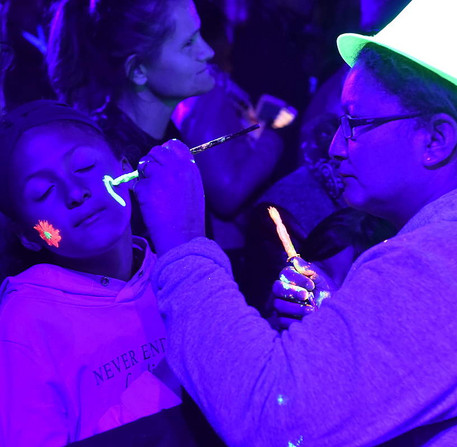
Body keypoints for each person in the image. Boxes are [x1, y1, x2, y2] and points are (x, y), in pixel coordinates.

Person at [132, 0, 457, 445]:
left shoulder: (433, 262)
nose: (337, 147)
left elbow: (273, 417)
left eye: (357, 123)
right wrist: (347, 321)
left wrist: (184, 244)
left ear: (436, 139)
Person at [0, 100, 218, 446]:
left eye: (85, 166)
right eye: (42, 192)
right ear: (28, 235)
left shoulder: (173, 274)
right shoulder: (24, 323)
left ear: (126, 168)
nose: (75, 193)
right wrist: (166, 379)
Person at [46, 0, 283, 222]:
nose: (208, 52)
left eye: (199, 34)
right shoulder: (121, 167)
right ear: (138, 70)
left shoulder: (161, 138)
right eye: (188, 43)